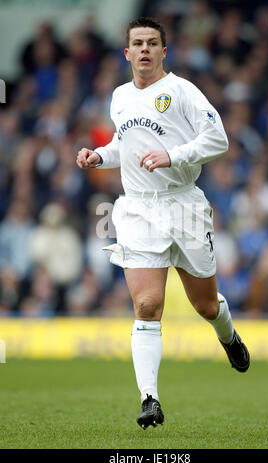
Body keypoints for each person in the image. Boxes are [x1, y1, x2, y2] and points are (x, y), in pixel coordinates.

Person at [76, 17, 250, 430]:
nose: (144, 50)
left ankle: (228, 336)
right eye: (137, 43)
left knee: (206, 305)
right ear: (127, 53)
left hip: (184, 206)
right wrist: (100, 155)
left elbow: (218, 139)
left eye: (153, 43)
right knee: (148, 305)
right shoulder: (119, 97)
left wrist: (173, 157)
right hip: (137, 209)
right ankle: (149, 399)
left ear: (163, 51)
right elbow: (124, 144)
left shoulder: (181, 91)